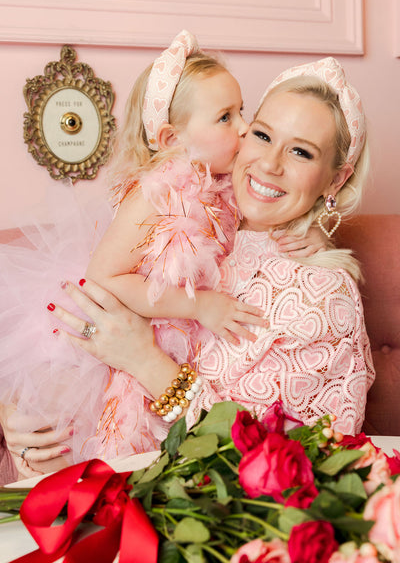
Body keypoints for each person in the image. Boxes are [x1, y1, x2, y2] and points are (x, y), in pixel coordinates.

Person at [1, 56, 375, 480]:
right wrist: (19, 413)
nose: (270, 164)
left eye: (301, 151)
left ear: (336, 179)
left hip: (180, 507)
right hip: (82, 461)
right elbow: (68, 307)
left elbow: (275, 466)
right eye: (262, 134)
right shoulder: (205, 211)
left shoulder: (321, 292)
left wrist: (145, 360)